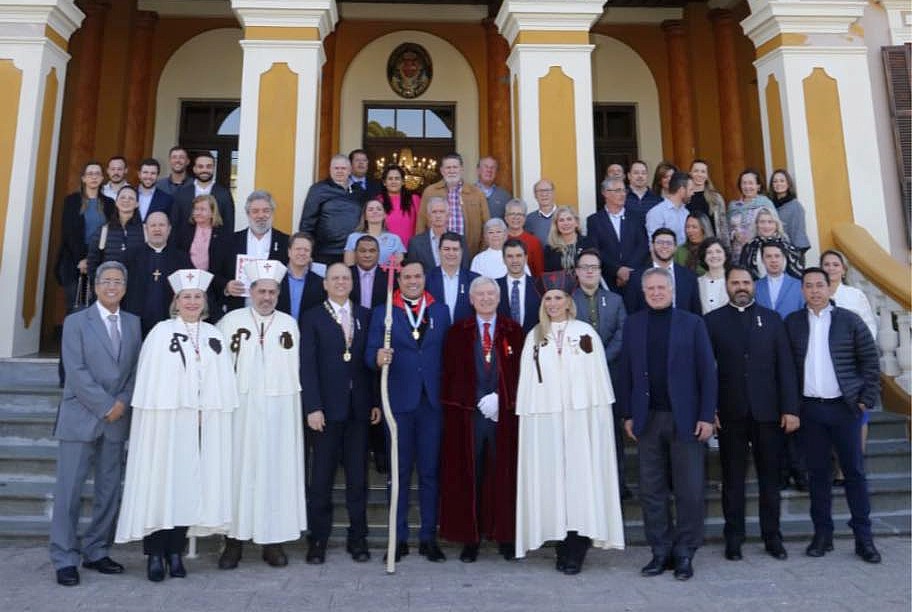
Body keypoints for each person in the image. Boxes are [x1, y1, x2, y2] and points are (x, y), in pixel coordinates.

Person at [115, 269, 239, 582]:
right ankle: (155, 553)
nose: (192, 302)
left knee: (187, 486)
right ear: (176, 301)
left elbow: (221, 380)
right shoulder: (160, 332)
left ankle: (175, 551)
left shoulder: (214, 335)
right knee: (161, 485)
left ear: (205, 301)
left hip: (200, 425)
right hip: (166, 423)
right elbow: (153, 381)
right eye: (187, 297)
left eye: (197, 297)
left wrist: (206, 408)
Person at [514, 278, 624, 574]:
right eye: (547, 299)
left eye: (557, 298)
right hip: (548, 420)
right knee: (553, 482)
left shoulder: (585, 333)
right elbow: (528, 385)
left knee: (580, 481)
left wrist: (594, 419)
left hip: (579, 420)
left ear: (568, 301)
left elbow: (596, 379)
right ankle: (561, 543)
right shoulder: (535, 336)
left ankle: (577, 545)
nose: (552, 304)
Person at [617, 267, 717, 581]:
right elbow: (626, 373)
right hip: (648, 420)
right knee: (651, 489)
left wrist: (706, 415)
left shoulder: (692, 323)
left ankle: (685, 552)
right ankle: (660, 551)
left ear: (672, 291)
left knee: (689, 489)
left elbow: (708, 372)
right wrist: (628, 414)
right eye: (651, 289)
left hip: (686, 419)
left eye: (662, 288)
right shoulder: (633, 324)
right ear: (644, 292)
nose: (657, 293)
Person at [50, 261, 141, 587]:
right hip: (81, 417)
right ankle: (64, 558)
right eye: (107, 281)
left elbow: (134, 371)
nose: (112, 286)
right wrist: (106, 406)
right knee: (69, 491)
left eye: (119, 281)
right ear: (97, 285)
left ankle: (97, 550)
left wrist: (123, 402)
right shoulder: (76, 322)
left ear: (125, 287)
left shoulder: (133, 323)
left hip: (117, 418)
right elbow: (74, 371)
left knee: (108, 489)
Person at [784, 268, 881, 564]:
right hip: (810, 411)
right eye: (809, 286)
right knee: (818, 476)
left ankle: (863, 538)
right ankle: (822, 535)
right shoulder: (793, 324)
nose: (814, 291)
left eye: (819, 285)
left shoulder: (849, 321)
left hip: (844, 408)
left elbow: (870, 361)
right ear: (802, 291)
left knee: (854, 473)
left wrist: (865, 399)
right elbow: (786, 368)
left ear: (829, 288)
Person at [215, 260, 308, 569]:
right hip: (240, 412)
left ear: (278, 294)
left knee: (274, 474)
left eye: (272, 292)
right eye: (261, 291)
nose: (266, 297)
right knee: (238, 473)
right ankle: (233, 542)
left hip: (278, 413)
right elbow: (217, 369)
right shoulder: (230, 321)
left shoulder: (288, 324)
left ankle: (273, 541)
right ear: (251, 292)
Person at [705, 266, 799, 562]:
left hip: (768, 413)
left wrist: (790, 408)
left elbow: (785, 367)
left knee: (770, 479)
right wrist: (710, 410)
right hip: (730, 412)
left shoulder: (772, 320)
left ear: (753, 286)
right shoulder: (712, 321)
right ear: (727, 286)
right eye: (735, 283)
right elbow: (706, 371)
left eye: (746, 282)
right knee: (732, 480)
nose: (741, 287)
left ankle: (773, 537)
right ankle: (734, 538)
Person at [366, 260, 451, 562]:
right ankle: (397, 538)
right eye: (407, 277)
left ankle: (428, 537)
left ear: (424, 279)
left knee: (429, 473)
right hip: (399, 403)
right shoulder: (385, 312)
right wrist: (378, 357)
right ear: (398, 280)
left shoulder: (440, 311)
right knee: (398, 473)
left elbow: (447, 356)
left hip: (431, 403)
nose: (413, 281)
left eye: (417, 276)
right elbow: (368, 356)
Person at [300, 263, 381, 564]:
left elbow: (367, 364)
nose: (340, 282)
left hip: (358, 411)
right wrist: (312, 407)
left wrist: (374, 401)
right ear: (325, 284)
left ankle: (357, 538)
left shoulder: (364, 315)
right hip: (325, 413)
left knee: (357, 480)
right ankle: (317, 539)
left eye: (345, 278)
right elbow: (307, 366)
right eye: (335, 278)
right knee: (320, 479)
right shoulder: (312, 318)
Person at [439, 277, 524, 562]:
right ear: (472, 299)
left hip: (505, 416)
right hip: (469, 417)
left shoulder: (514, 331)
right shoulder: (457, 332)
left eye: (491, 294)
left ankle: (506, 536)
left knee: (504, 476)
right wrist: (471, 400)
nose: (486, 298)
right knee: (470, 476)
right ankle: (470, 539)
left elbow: (522, 375)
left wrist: (504, 397)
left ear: (499, 299)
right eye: (481, 294)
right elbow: (449, 375)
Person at [571, 249, 629, 499]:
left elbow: (622, 332)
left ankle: (618, 484)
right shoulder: (567, 302)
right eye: (585, 267)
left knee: (612, 433)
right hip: (578, 378)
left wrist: (601, 358)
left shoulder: (615, 300)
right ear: (576, 272)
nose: (590, 271)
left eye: (594, 267)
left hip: (610, 374)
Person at [820, 249, 878, 486]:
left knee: (858, 415)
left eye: (836, 264)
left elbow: (869, 326)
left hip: (852, 363)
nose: (831, 268)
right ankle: (839, 465)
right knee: (833, 415)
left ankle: (854, 465)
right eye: (827, 264)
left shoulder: (855, 295)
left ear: (843, 269)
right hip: (824, 365)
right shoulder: (816, 293)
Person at [213, 190, 290, 319]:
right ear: (248, 214)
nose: (261, 215)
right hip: (238, 311)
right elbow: (215, 274)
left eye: (266, 210)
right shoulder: (229, 241)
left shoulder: (286, 242)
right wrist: (226, 286)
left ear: (272, 212)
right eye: (255, 211)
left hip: (274, 314)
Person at [55, 161, 114, 312]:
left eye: (97, 174)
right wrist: (81, 259)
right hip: (74, 261)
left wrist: (92, 259)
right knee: (77, 309)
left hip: (99, 261)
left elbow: (110, 232)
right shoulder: (72, 201)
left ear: (102, 178)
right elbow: (69, 232)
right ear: (83, 178)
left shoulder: (109, 203)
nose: (93, 177)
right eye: (90, 174)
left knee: (96, 308)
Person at [123, 211, 192, 336]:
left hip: (171, 324)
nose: (157, 229)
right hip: (135, 324)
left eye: (161, 225)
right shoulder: (130, 256)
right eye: (153, 225)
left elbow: (193, 290)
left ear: (169, 229)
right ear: (146, 229)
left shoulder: (181, 258)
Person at [417, 152, 489, 257]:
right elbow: (421, 223)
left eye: (455, 167)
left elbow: (486, 225)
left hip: (469, 254)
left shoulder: (477, 193)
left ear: (461, 169)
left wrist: (482, 253)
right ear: (442, 171)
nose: (452, 171)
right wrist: (422, 253)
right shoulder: (430, 191)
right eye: (448, 167)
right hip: (437, 254)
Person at [587, 176, 650, 292]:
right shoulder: (594, 221)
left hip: (634, 277)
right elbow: (594, 250)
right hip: (608, 280)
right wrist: (617, 270)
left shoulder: (636, 217)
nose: (623, 194)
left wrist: (627, 271)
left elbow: (643, 246)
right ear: (605, 193)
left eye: (624, 190)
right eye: (618, 190)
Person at [299, 154, 363, 264]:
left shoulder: (359, 191)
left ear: (350, 170)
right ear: (330, 169)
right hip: (325, 252)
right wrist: (306, 250)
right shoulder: (318, 190)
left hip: (352, 251)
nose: (339, 171)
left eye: (343, 168)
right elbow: (307, 222)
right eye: (336, 168)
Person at [173, 194, 230, 317]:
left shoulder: (222, 234)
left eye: (202, 209)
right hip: (188, 285)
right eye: (196, 209)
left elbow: (224, 263)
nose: (198, 212)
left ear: (212, 212)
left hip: (212, 287)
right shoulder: (184, 231)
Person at [625, 228, 701, 315]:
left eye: (669, 243)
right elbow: (631, 312)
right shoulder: (636, 277)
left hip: (682, 327)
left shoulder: (689, 276)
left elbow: (696, 312)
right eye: (659, 242)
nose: (664, 246)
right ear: (652, 246)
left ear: (675, 247)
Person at [86, 185, 145, 282]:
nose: (126, 200)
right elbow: (92, 263)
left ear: (137, 204)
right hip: (110, 289)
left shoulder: (145, 231)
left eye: (131, 198)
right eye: (122, 197)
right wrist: (97, 287)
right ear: (116, 202)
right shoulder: (103, 231)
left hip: (137, 290)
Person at [171, 152, 235, 238]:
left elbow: (229, 226)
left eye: (208, 166)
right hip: (184, 248)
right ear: (194, 169)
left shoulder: (224, 194)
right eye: (200, 166)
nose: (204, 170)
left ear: (213, 168)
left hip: (215, 248)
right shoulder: (181, 194)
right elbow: (174, 224)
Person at [407, 196, 470, 272]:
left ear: (448, 215)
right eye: (434, 212)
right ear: (429, 216)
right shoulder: (415, 243)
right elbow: (413, 271)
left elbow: (465, 268)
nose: (438, 216)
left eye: (441, 212)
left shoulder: (460, 240)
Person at [276, 232, 327, 326]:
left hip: (308, 335)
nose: (302, 253)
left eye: (306, 250)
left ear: (311, 253)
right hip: (279, 333)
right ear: (289, 252)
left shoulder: (320, 283)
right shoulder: (276, 278)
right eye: (298, 249)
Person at [738, 206, 803, 279]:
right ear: (756, 224)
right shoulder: (748, 248)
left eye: (770, 222)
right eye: (762, 222)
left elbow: (797, 276)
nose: (766, 226)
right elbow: (743, 275)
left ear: (776, 225)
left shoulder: (789, 248)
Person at [428, 232, 479, 324]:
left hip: (464, 334)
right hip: (436, 334)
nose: (451, 253)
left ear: (461, 252)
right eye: (446, 249)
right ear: (439, 251)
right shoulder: (427, 279)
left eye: (455, 249)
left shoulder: (474, 280)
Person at [342, 198, 406, 267]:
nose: (375, 212)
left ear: (384, 215)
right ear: (365, 216)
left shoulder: (395, 239)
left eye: (379, 209)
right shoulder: (353, 237)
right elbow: (349, 266)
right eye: (370, 209)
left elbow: (399, 267)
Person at [727, 169, 774, 261]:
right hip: (738, 255)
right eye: (744, 183)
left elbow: (775, 228)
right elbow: (726, 229)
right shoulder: (733, 206)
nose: (747, 186)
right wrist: (734, 234)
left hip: (760, 254)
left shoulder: (765, 204)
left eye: (751, 183)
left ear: (758, 186)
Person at [496, 239, 541, 335]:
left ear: (526, 258)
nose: (514, 260)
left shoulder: (539, 285)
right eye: (510, 256)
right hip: (503, 344)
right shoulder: (494, 286)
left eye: (519, 256)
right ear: (503, 259)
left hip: (532, 342)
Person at [768, 169, 810, 260]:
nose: (778, 184)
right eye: (775, 181)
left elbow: (798, 233)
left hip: (791, 254)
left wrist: (793, 255)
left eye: (782, 181)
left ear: (788, 183)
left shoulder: (795, 206)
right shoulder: (769, 205)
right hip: (772, 254)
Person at [756, 242, 805, 319]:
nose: (773, 260)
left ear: (783, 258)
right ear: (762, 260)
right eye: (768, 256)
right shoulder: (755, 286)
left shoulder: (798, 285)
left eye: (777, 256)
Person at [377, 164, 420, 246]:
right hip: (384, 249)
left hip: (409, 250)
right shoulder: (378, 201)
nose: (393, 181)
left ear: (403, 182)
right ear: (384, 182)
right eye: (390, 179)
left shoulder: (414, 199)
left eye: (397, 178)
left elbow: (421, 225)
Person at [645, 171, 692, 247]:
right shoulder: (657, 213)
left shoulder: (686, 212)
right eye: (691, 190)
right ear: (682, 190)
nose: (692, 193)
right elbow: (653, 244)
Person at [687, 159, 728, 244]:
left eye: (703, 172)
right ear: (690, 173)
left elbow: (723, 226)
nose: (699, 174)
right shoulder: (685, 197)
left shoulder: (716, 198)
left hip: (711, 246)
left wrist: (725, 248)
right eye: (696, 171)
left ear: (707, 175)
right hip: (690, 246)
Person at [542, 206, 592, 275]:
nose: (565, 223)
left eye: (569, 219)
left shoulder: (588, 243)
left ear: (576, 223)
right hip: (558, 285)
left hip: (584, 285)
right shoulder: (550, 249)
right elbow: (548, 275)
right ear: (556, 225)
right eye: (561, 220)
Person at [503, 198, 545, 277]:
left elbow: (539, 273)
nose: (516, 217)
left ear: (525, 218)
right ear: (506, 217)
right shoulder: (499, 240)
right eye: (512, 214)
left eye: (520, 214)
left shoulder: (534, 242)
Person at [348, 235, 389, 312]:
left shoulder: (389, 276)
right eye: (363, 251)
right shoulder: (345, 274)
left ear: (378, 253)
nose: (367, 255)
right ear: (355, 253)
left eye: (372, 251)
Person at [696, 237, 730, 315]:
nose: (714, 255)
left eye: (718, 251)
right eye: (709, 252)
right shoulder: (697, 283)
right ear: (704, 257)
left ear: (725, 255)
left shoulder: (734, 280)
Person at [523, 179, 558, 246]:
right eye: (540, 191)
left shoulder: (565, 216)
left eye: (547, 190)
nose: (544, 194)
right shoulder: (529, 219)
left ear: (553, 193)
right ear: (535, 195)